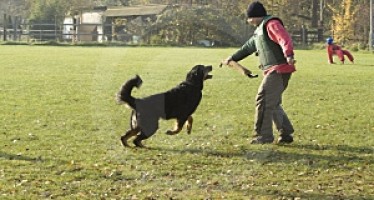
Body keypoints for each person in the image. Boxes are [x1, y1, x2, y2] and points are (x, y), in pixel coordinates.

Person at [221, 1, 296, 144]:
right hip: (274, 70)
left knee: (263, 99)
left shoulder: (271, 24)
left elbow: (284, 38)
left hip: (279, 69)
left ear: (254, 16)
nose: (248, 21)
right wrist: (232, 58)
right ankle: (285, 133)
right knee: (272, 102)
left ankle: (263, 136)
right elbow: (247, 48)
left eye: (248, 18)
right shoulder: (259, 31)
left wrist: (289, 54)